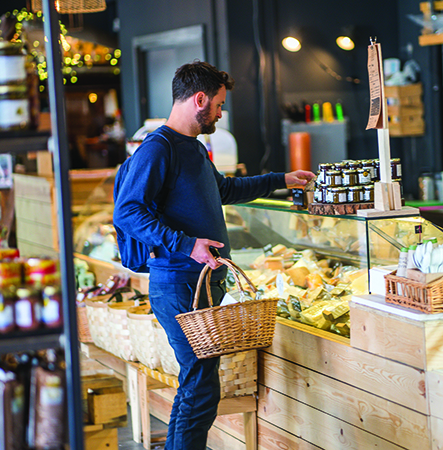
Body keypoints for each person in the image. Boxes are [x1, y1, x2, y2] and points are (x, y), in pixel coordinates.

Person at [113, 60, 314, 450]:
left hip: (199, 284)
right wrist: (189, 244)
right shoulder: (160, 147)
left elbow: (223, 189)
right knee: (201, 386)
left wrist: (280, 180)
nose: (221, 113)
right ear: (199, 99)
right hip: (178, 284)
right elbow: (128, 211)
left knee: (198, 384)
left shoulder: (193, 148)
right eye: (219, 105)